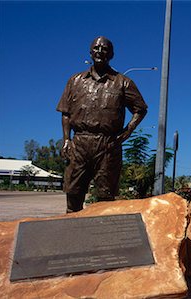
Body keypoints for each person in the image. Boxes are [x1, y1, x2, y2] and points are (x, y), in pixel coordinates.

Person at [57, 36, 147, 213]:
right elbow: (66, 113)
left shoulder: (123, 82)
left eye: (105, 49)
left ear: (111, 54)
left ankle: (101, 236)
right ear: (90, 52)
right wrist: (67, 139)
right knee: (73, 193)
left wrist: (127, 132)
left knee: (106, 196)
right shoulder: (75, 81)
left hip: (107, 145)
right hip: (80, 143)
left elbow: (141, 109)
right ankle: (71, 233)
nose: (100, 51)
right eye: (96, 48)